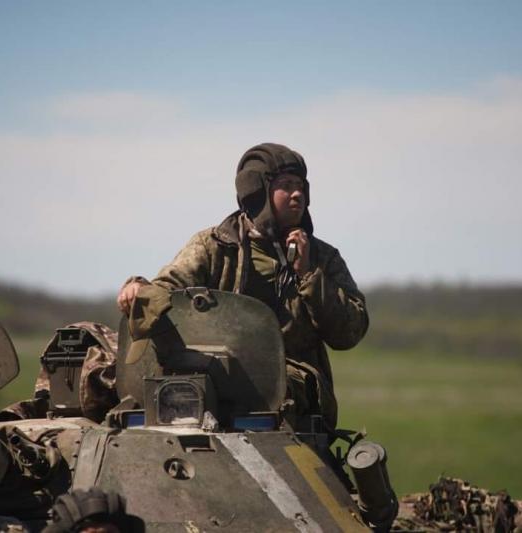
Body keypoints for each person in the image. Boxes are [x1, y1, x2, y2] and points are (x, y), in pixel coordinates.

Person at [117, 143, 368, 430]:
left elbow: (350, 332)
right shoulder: (214, 247)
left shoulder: (322, 257)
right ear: (258, 192)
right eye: (286, 185)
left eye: (301, 186)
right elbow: (170, 286)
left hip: (288, 375)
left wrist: (309, 274)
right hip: (212, 368)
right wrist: (139, 290)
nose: (297, 194)